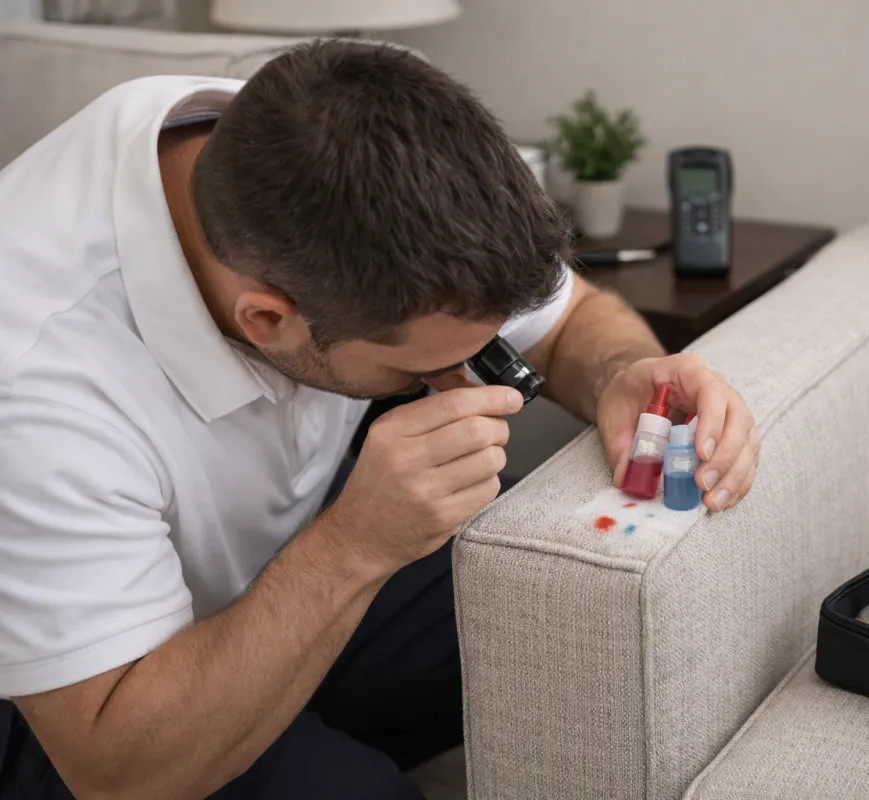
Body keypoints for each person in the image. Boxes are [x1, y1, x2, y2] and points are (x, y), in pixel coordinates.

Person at [0, 39, 759, 800]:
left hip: (270, 562)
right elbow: (119, 771)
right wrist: (356, 546)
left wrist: (618, 373)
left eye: (481, 350)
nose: (458, 379)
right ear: (268, 318)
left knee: (590, 623)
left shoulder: (357, 143)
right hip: (88, 705)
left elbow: (570, 322)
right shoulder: (36, 388)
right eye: (420, 372)